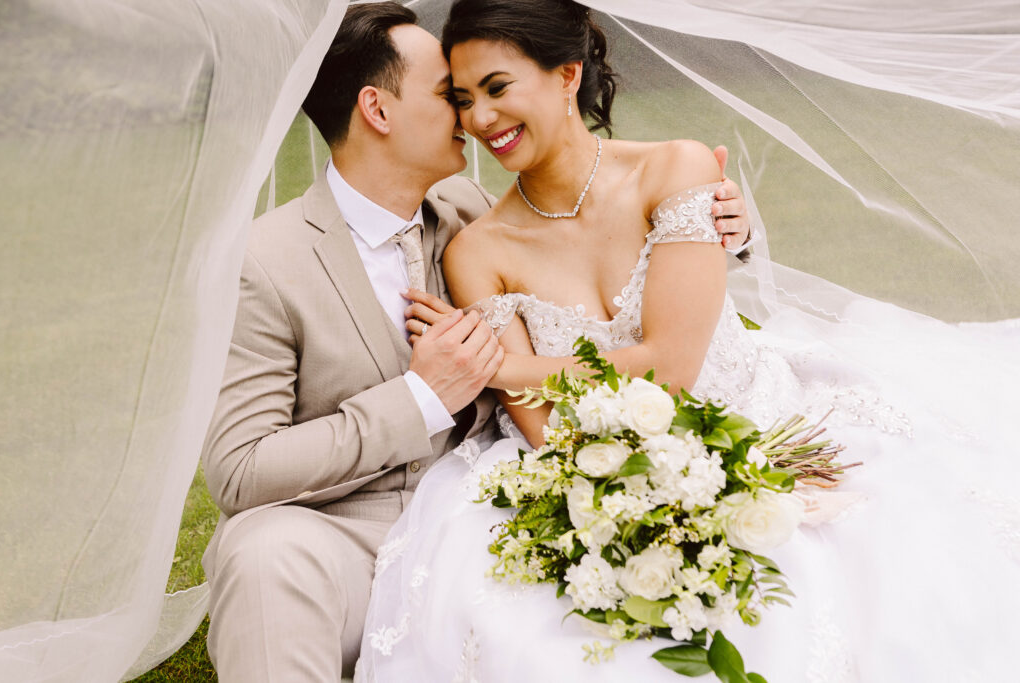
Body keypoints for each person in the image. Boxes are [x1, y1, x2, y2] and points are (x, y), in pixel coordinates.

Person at [355, 1, 1020, 681]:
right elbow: (546, 431)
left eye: (498, 88)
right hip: (589, 475)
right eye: (464, 100)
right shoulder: (478, 251)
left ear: (566, 74)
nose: (481, 119)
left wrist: (504, 365)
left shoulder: (678, 170)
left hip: (757, 416)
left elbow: (671, 366)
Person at [198, 3, 750, 681]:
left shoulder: (460, 209)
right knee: (264, 557)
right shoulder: (267, 260)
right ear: (377, 110)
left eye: (481, 92)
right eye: (451, 96)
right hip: (346, 524)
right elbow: (239, 469)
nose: (471, 119)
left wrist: (719, 225)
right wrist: (422, 397)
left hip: (484, 506)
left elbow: (593, 256)